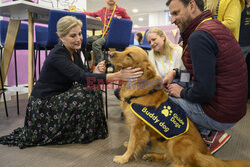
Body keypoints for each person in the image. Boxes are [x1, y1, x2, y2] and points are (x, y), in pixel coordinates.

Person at [0, 16, 143, 149]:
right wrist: (117, 75)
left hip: (59, 95)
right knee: (88, 92)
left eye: (80, 34)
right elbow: (82, 78)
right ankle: (76, 132)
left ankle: (85, 131)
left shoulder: (73, 51)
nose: (79, 38)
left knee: (93, 89)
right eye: (73, 35)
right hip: (44, 103)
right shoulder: (58, 55)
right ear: (61, 37)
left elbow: (83, 75)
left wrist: (96, 72)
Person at [165, 0, 247, 154]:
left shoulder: (199, 36)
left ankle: (208, 133)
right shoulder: (213, 26)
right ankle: (207, 129)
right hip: (233, 107)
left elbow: (203, 92)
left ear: (191, 5)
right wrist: (175, 73)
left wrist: (180, 93)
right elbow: (199, 72)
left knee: (163, 96)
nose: (172, 20)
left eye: (176, 13)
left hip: (222, 114)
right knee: (176, 83)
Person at [84, 0, 131, 65]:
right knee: (86, 41)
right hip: (103, 35)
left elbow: (129, 22)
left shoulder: (121, 10)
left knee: (96, 44)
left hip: (112, 36)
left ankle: (100, 65)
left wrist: (121, 20)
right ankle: (88, 61)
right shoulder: (102, 10)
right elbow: (92, 14)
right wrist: (80, 12)